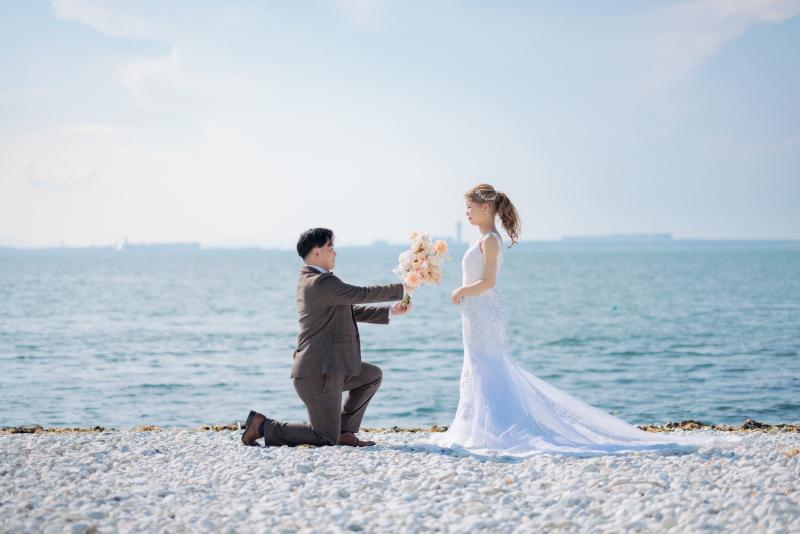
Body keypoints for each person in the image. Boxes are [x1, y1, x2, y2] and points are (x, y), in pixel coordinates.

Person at [433, 184, 715, 453]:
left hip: (483, 309)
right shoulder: (477, 239)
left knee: (489, 364)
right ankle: (481, 425)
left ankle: (495, 427)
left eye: (470, 207)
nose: (466, 212)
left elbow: (489, 282)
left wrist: (461, 290)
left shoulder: (490, 241)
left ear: (486, 208)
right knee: (478, 363)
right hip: (474, 311)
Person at [241, 228, 413, 448]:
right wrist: (403, 288)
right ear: (316, 252)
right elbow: (360, 293)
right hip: (317, 372)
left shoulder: (317, 281)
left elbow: (350, 309)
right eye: (331, 248)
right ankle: (262, 426)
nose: (335, 253)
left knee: (371, 376)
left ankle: (344, 431)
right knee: (324, 438)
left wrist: (390, 311)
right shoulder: (318, 283)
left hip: (332, 367)